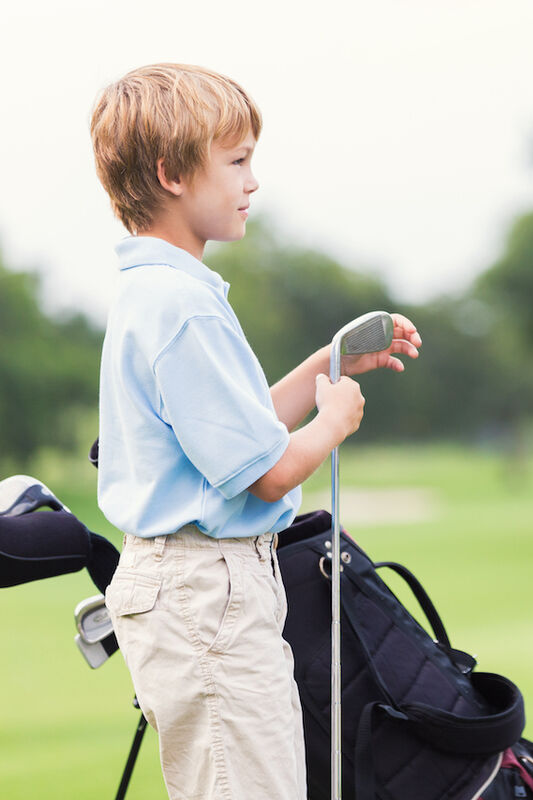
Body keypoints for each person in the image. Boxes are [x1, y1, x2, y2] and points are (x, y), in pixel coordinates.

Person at [90, 63, 421, 800]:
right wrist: (332, 422)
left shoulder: (159, 291)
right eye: (236, 161)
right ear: (174, 173)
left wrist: (325, 367)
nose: (253, 180)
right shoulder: (182, 303)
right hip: (205, 590)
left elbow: (234, 434)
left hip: (195, 585)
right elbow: (266, 471)